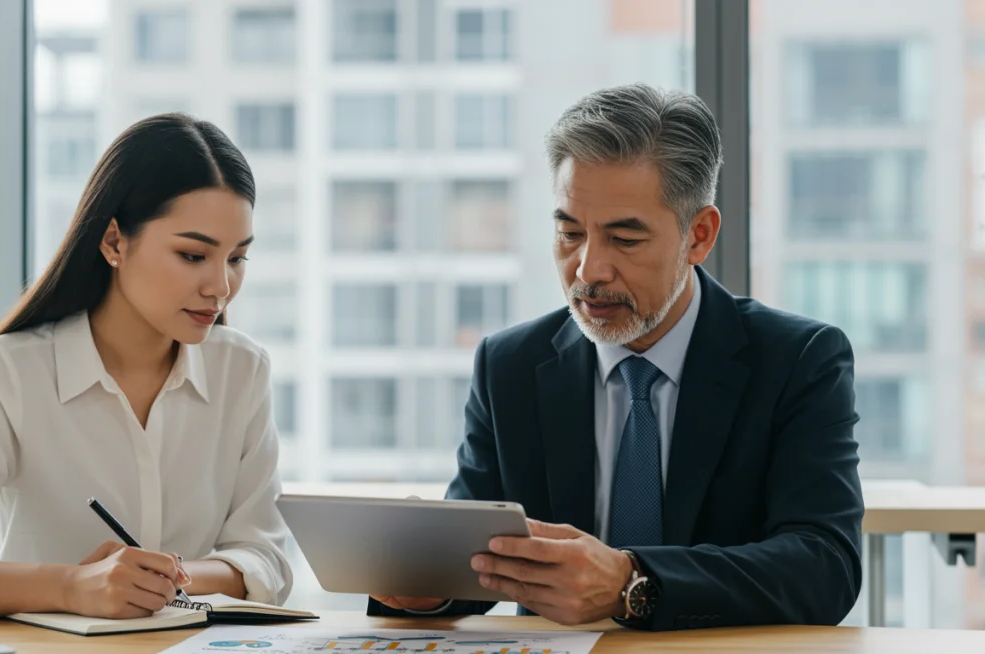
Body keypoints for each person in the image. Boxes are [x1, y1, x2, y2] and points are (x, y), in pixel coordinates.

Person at [370, 83, 863, 631]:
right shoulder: (509, 365)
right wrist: (424, 586)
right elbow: (480, 566)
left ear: (698, 236)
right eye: (569, 233)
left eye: (624, 239)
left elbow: (825, 566)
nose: (588, 271)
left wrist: (631, 582)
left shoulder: (798, 360)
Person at [0, 114, 292, 619]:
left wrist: (166, 576)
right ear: (114, 241)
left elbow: (266, 558)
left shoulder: (242, 371)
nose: (221, 287)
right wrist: (73, 586)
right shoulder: (13, 370)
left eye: (236, 259)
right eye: (192, 255)